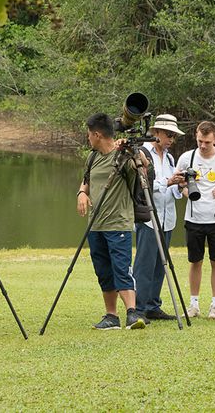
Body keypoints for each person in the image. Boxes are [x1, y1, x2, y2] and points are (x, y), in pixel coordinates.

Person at [77, 113, 146, 330]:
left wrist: (133, 150)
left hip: (118, 224)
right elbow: (87, 180)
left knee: (122, 268)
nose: (88, 138)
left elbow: (142, 166)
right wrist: (81, 193)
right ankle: (111, 316)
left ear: (97, 134)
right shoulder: (92, 157)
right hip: (95, 225)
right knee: (104, 271)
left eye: (89, 134)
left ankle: (132, 313)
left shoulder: (122, 157)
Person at [175, 121, 215, 319]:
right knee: (195, 261)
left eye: (207, 142)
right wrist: (186, 192)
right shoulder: (186, 158)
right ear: (196, 136)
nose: (203, 145)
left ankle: (214, 306)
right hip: (194, 218)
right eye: (200, 141)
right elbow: (177, 184)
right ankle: (194, 305)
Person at [133, 114, 184, 321]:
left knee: (159, 265)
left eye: (174, 135)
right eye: (168, 134)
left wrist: (179, 185)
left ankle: (153, 305)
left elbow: (170, 190)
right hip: (148, 217)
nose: (171, 139)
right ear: (156, 133)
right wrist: (168, 181)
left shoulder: (170, 157)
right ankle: (138, 308)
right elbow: (142, 185)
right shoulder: (143, 153)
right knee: (144, 264)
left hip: (167, 216)